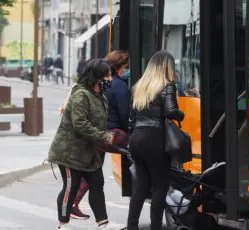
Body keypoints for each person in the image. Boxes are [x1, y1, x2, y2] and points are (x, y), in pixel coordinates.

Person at [48, 58, 115, 229]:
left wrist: (105, 136)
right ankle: (63, 223)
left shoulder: (101, 98)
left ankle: (102, 222)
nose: (110, 79)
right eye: (107, 76)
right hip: (69, 152)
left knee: (97, 183)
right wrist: (104, 136)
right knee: (71, 186)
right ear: (97, 77)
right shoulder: (81, 95)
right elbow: (80, 125)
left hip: (88, 152)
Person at [127, 50, 184, 230]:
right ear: (167, 66)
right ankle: (156, 227)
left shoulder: (139, 87)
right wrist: (182, 114)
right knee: (160, 187)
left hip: (136, 140)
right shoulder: (167, 86)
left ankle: (132, 226)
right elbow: (171, 111)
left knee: (141, 187)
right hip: (155, 140)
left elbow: (131, 120)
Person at [70, 50, 131, 220]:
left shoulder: (97, 83)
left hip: (95, 133)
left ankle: (72, 203)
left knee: (92, 168)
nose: (126, 70)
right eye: (126, 67)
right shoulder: (119, 86)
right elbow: (125, 115)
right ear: (118, 67)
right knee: (140, 148)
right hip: (110, 133)